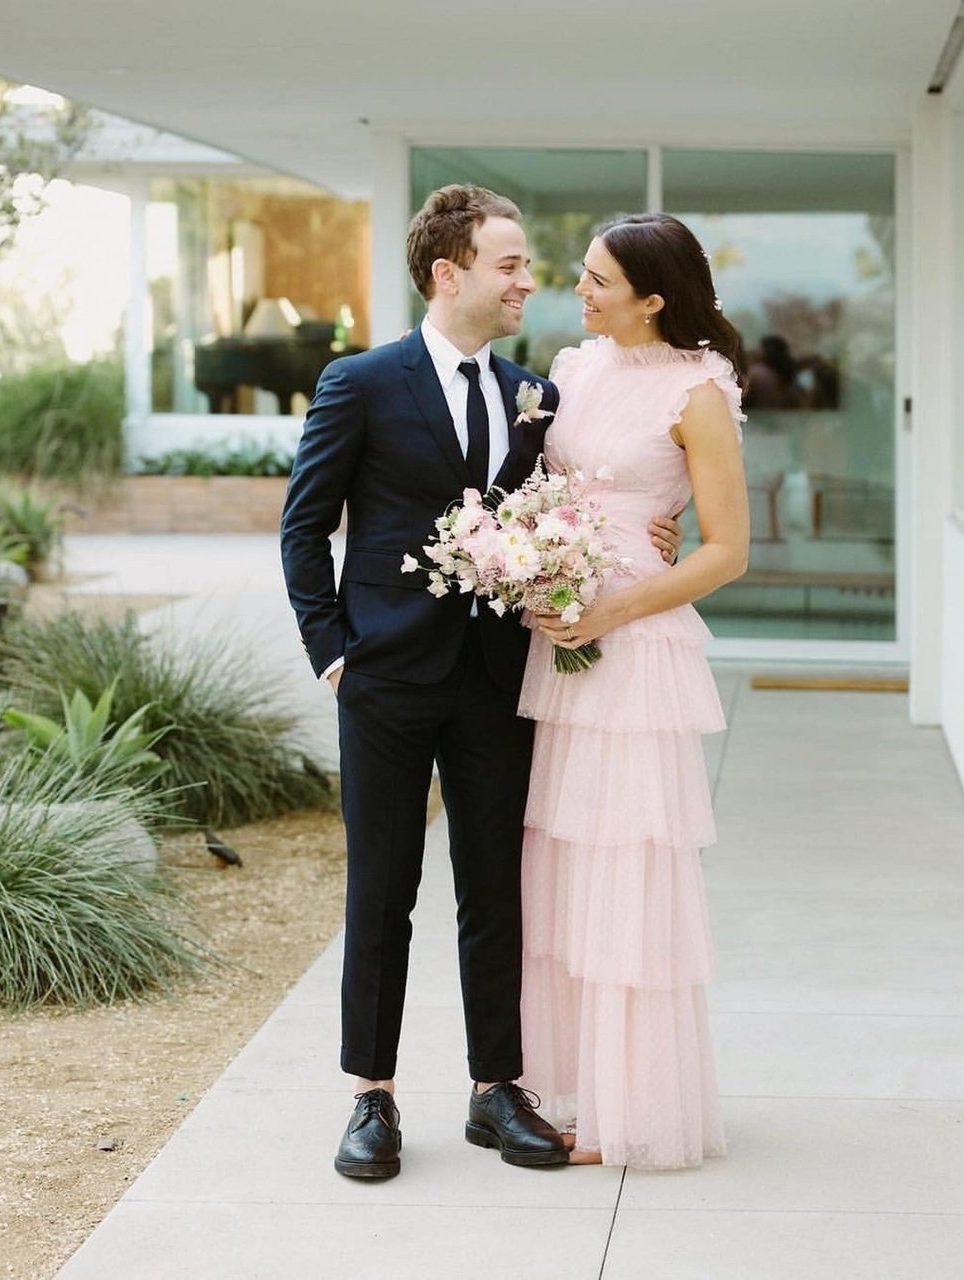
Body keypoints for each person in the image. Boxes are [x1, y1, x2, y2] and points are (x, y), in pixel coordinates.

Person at [280, 185, 681, 1180]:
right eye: (509, 263)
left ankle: (494, 1088)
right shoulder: (359, 381)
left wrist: (652, 534)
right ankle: (369, 1093)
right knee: (383, 889)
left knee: (495, 889)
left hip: (502, 676)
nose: (528, 280)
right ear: (445, 272)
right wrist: (333, 649)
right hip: (384, 676)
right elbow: (303, 526)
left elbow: (585, 496)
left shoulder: (533, 394)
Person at [520, 213, 750, 1170]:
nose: (581, 292)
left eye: (600, 281)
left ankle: (629, 1110)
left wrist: (612, 609)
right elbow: (533, 482)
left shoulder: (699, 391)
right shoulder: (574, 369)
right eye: (582, 275)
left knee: (625, 863)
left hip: (630, 643)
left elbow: (728, 552)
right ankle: (559, 1090)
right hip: (557, 631)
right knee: (560, 863)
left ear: (655, 300)